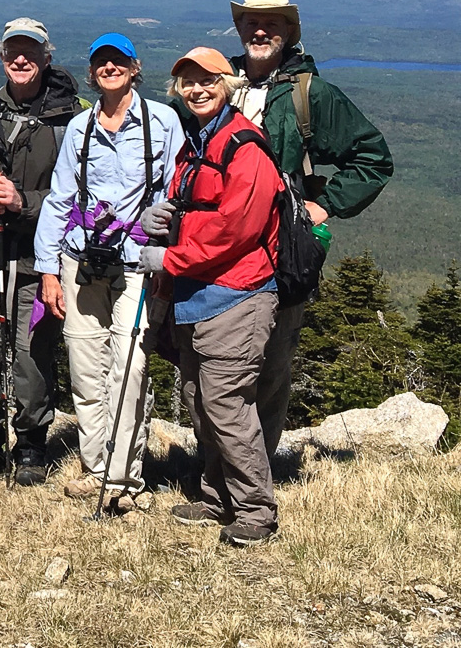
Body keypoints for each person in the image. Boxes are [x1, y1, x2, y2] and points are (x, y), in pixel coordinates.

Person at [224, 0, 394, 452]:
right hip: (215, 250)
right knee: (210, 366)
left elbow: (372, 158)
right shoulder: (214, 84)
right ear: (238, 29)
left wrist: (324, 204)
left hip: (281, 252)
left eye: (273, 23)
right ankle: (214, 472)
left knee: (269, 369)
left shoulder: (309, 94)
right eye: (252, 23)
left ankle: (254, 482)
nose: (260, 31)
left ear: (289, 32)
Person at [143, 47, 284, 547]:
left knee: (225, 403)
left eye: (208, 81)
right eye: (187, 82)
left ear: (228, 86)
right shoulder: (198, 143)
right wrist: (162, 219)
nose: (197, 89)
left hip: (238, 294)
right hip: (199, 295)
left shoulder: (244, 147)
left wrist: (169, 258)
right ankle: (217, 493)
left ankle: (255, 509)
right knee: (199, 401)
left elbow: (235, 229)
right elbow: (195, 208)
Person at [34, 33, 181, 512]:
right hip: (81, 260)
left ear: (135, 68)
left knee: (131, 367)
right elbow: (59, 199)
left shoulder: (162, 121)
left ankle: (124, 476)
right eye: (101, 62)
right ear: (93, 71)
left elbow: (176, 192)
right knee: (85, 367)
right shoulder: (79, 128)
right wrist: (48, 270)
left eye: (118, 61)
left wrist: (168, 256)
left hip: (138, 261)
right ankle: (96, 467)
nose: (110, 69)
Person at [0, 18, 84, 486]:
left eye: (30, 51)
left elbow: (80, 193)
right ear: (2, 56)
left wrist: (23, 203)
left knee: (33, 355)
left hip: (38, 262)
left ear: (47, 57)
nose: (20, 59)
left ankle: (31, 446)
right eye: (12, 51)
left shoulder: (71, 119)